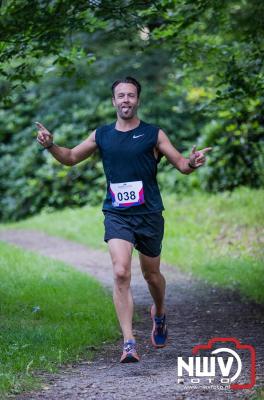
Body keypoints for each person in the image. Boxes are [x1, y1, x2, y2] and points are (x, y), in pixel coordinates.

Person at [36, 76, 212, 363]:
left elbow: (182, 164)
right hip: (117, 214)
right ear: (113, 101)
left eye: (131, 95)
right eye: (121, 95)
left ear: (138, 100)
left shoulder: (154, 134)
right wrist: (50, 145)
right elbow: (69, 157)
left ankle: (160, 312)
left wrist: (192, 162)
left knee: (151, 275)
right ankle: (129, 342)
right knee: (120, 272)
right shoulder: (102, 135)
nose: (126, 100)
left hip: (149, 214)